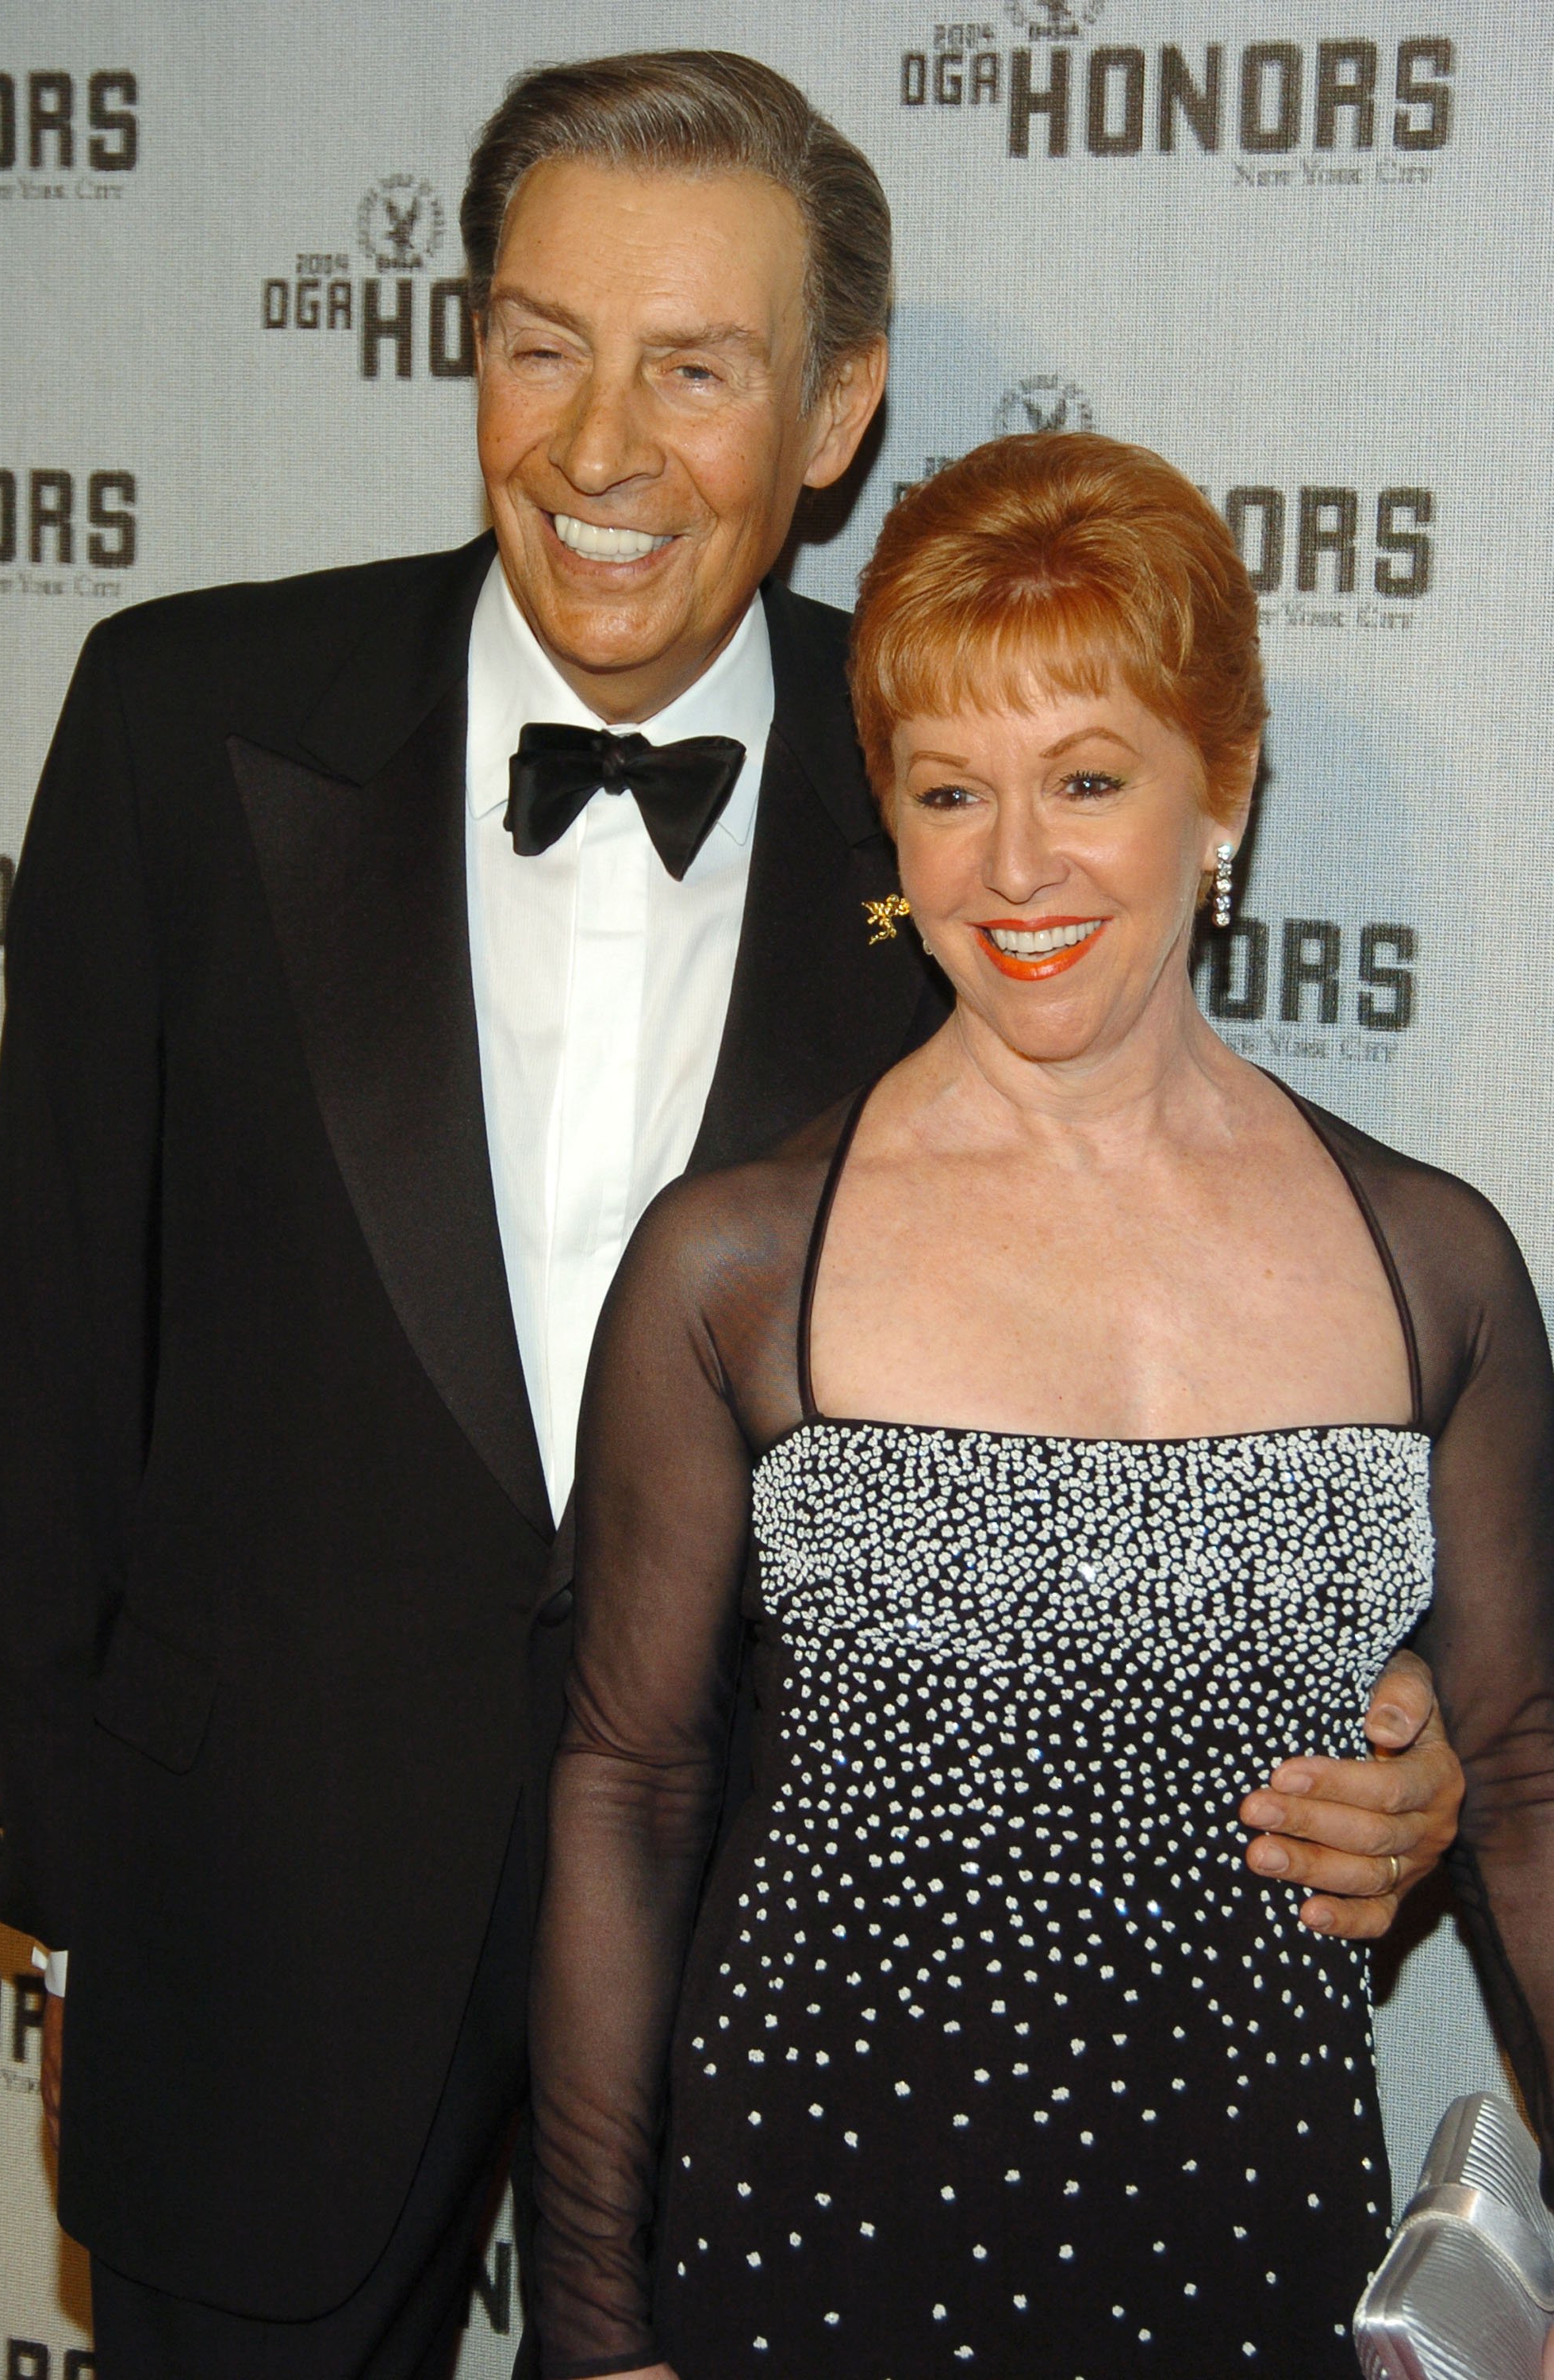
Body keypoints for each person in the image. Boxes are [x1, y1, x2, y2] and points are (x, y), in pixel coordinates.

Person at [0, 52, 1456, 2380]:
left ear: (837, 406)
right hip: (260, 1922)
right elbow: (50, 1333)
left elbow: (1137, 1330)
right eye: (539, 344)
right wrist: (77, 1895)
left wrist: (1387, 1723)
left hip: (790, 2012)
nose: (597, 449)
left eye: (695, 368)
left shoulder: (962, 793)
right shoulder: (181, 719)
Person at [528, 432, 1554, 2380]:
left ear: (1220, 787)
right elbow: (627, 1791)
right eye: (947, 794)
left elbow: (1521, 1783)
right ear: (890, 835)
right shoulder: (734, 1268)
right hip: (814, 2232)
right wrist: (591, 2325)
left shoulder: (1433, 1268)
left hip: (1250, 2237)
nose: (1015, 870)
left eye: (1087, 781)